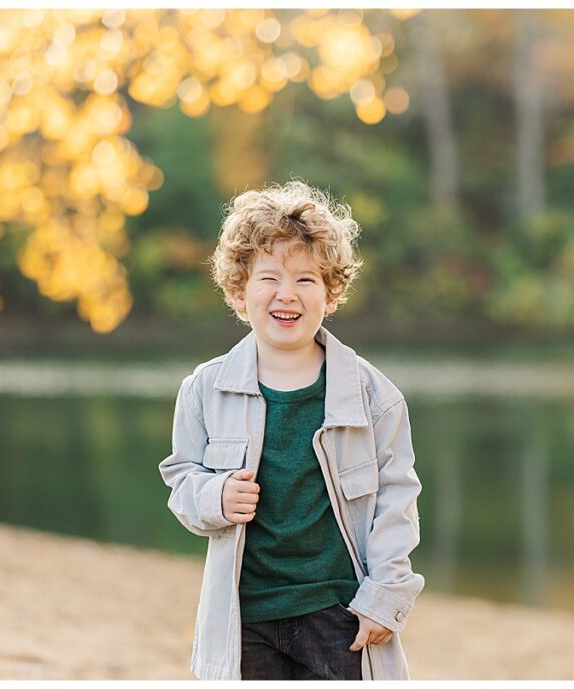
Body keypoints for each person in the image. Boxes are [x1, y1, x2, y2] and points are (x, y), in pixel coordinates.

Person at [158, 180, 424, 681]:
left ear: (331, 292)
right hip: (246, 615)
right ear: (240, 291)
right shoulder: (204, 390)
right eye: (269, 278)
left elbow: (397, 501)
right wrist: (215, 496)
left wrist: (385, 597)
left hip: (338, 612)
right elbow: (181, 481)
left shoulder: (374, 398)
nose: (287, 294)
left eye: (306, 280)